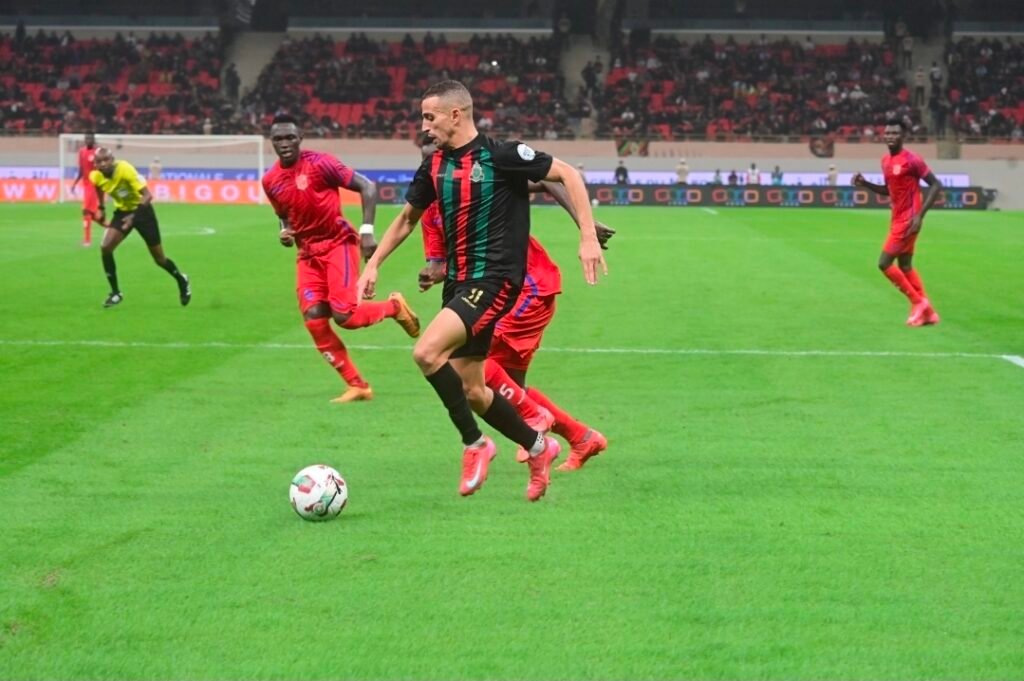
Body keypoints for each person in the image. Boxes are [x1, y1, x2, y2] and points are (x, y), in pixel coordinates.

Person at [357, 80, 606, 502]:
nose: (424, 126)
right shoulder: (434, 166)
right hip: (460, 283)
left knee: (426, 353)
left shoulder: (500, 155)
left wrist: (587, 235)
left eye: (429, 117)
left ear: (456, 114)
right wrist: (374, 263)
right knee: (472, 388)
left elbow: (567, 174)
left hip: (495, 282)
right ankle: (538, 446)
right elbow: (406, 218)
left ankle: (475, 444)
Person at [417, 151, 613, 471]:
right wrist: (430, 274)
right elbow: (438, 264)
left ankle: (535, 419)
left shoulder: (483, 178)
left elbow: (547, 180)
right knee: (510, 386)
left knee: (469, 364)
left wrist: (585, 223)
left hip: (528, 286)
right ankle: (582, 437)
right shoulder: (431, 211)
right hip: (495, 293)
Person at [262, 114, 420, 403]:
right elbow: (283, 216)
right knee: (314, 318)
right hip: (307, 254)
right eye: (278, 139)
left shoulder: (320, 163)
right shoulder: (270, 180)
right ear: (271, 142)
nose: (284, 143)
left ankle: (394, 307)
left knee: (345, 316)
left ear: (300, 139)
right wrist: (284, 232)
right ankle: (358, 385)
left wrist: (367, 231)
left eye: (290, 137)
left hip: (338, 244)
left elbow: (367, 186)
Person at [853, 118, 943, 326]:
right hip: (897, 218)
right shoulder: (886, 161)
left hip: (909, 220)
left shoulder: (912, 160)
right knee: (905, 265)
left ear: (903, 136)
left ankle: (918, 302)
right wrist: (865, 183)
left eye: (895, 133)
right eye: (888, 133)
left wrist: (920, 215)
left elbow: (936, 185)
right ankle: (929, 313)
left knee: (884, 263)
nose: (890, 136)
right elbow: (888, 190)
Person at [89, 148, 191, 308]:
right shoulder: (95, 175)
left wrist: (134, 217)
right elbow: (98, 187)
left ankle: (181, 279)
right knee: (106, 247)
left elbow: (148, 196)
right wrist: (101, 207)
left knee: (159, 259)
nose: (103, 164)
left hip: (143, 212)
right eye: (99, 161)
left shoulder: (125, 169)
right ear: (95, 164)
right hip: (123, 212)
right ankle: (115, 293)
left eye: (106, 160)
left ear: (112, 160)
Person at [71, 131, 101, 247]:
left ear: (93, 140)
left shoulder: (97, 152)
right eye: (86, 138)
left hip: (94, 185)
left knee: (86, 211)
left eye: (90, 138)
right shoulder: (82, 151)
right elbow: (81, 169)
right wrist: (75, 183)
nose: (88, 140)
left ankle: (87, 241)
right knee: (92, 215)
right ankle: (111, 227)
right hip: (86, 185)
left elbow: (101, 170)